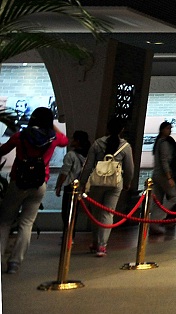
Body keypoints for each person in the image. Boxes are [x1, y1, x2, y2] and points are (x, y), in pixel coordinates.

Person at [0, 107, 68, 274]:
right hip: (39, 184)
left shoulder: (20, 136)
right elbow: (65, 140)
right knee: (26, 223)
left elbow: (2, 150)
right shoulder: (53, 138)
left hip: (18, 182)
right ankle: (15, 263)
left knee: (4, 222)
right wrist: (52, 124)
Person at [79, 117, 135, 257]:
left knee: (96, 212)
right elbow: (129, 169)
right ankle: (102, 246)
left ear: (108, 128)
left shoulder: (97, 144)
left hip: (97, 182)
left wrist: (82, 183)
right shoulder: (125, 147)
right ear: (122, 130)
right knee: (108, 213)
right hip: (115, 183)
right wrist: (127, 182)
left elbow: (87, 166)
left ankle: (95, 241)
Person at [54, 129, 90, 235]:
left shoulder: (71, 155)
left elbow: (64, 172)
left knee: (66, 212)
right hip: (81, 186)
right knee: (74, 211)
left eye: (73, 139)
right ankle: (71, 234)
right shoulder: (88, 155)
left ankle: (68, 234)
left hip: (70, 187)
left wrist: (59, 186)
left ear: (78, 141)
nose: (71, 140)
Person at [150, 121, 176, 234]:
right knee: (173, 197)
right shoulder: (163, 143)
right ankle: (157, 219)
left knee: (157, 199)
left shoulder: (158, 142)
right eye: (168, 128)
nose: (170, 130)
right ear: (162, 129)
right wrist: (169, 177)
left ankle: (154, 222)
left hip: (156, 174)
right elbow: (164, 161)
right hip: (163, 175)